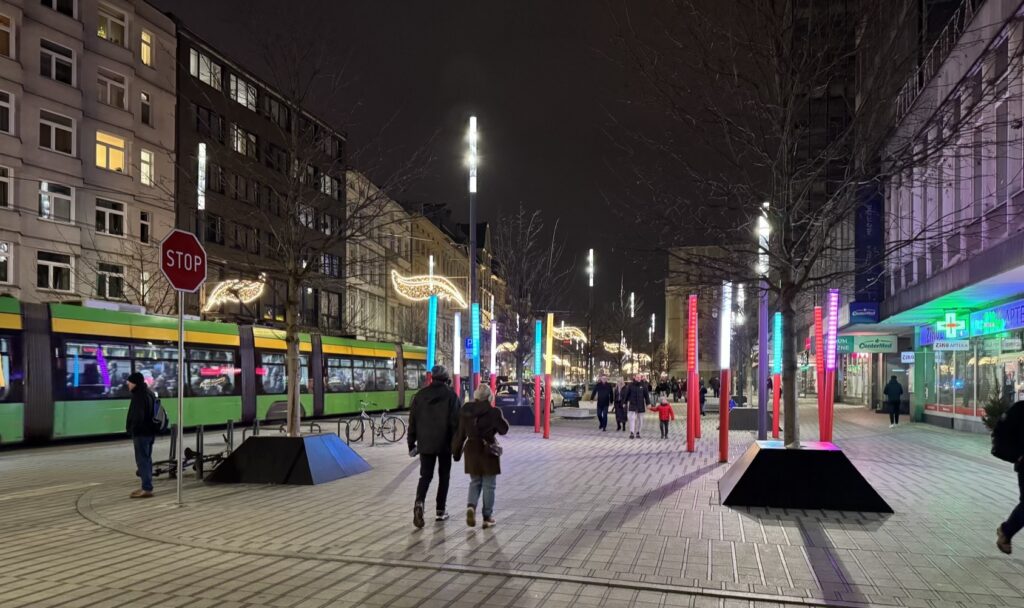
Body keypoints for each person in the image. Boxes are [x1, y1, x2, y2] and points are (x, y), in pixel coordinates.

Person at [408, 364, 461, 529]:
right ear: (446, 379)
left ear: (432, 378)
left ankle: (419, 502)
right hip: (444, 444)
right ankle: (440, 510)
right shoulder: (451, 396)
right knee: (444, 476)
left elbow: (413, 421)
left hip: (425, 443)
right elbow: (456, 423)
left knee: (425, 476)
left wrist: (411, 443)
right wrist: (457, 447)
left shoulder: (420, 395)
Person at [452, 383, 509, 529]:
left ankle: (471, 507)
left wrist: (456, 452)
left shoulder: (466, 410)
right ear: (489, 397)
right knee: (489, 485)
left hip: (471, 449)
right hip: (487, 450)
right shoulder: (494, 412)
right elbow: (504, 430)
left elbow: (460, 434)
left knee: (475, 482)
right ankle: (487, 517)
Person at [125, 372, 158, 499]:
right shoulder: (149, 393)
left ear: (135, 383)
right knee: (147, 459)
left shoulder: (138, 395)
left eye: (129, 382)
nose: (128, 385)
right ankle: (147, 486)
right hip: (150, 432)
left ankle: (147, 488)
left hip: (141, 433)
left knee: (142, 461)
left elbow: (138, 416)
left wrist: (133, 429)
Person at [621, 373, 651, 439]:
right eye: (637, 377)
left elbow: (646, 396)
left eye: (640, 377)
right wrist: (624, 402)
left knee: (640, 420)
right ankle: (632, 432)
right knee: (632, 419)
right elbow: (626, 394)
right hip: (632, 404)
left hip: (641, 405)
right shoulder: (630, 385)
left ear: (641, 378)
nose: (638, 378)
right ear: (634, 378)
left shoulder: (643, 386)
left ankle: (638, 432)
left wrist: (648, 403)